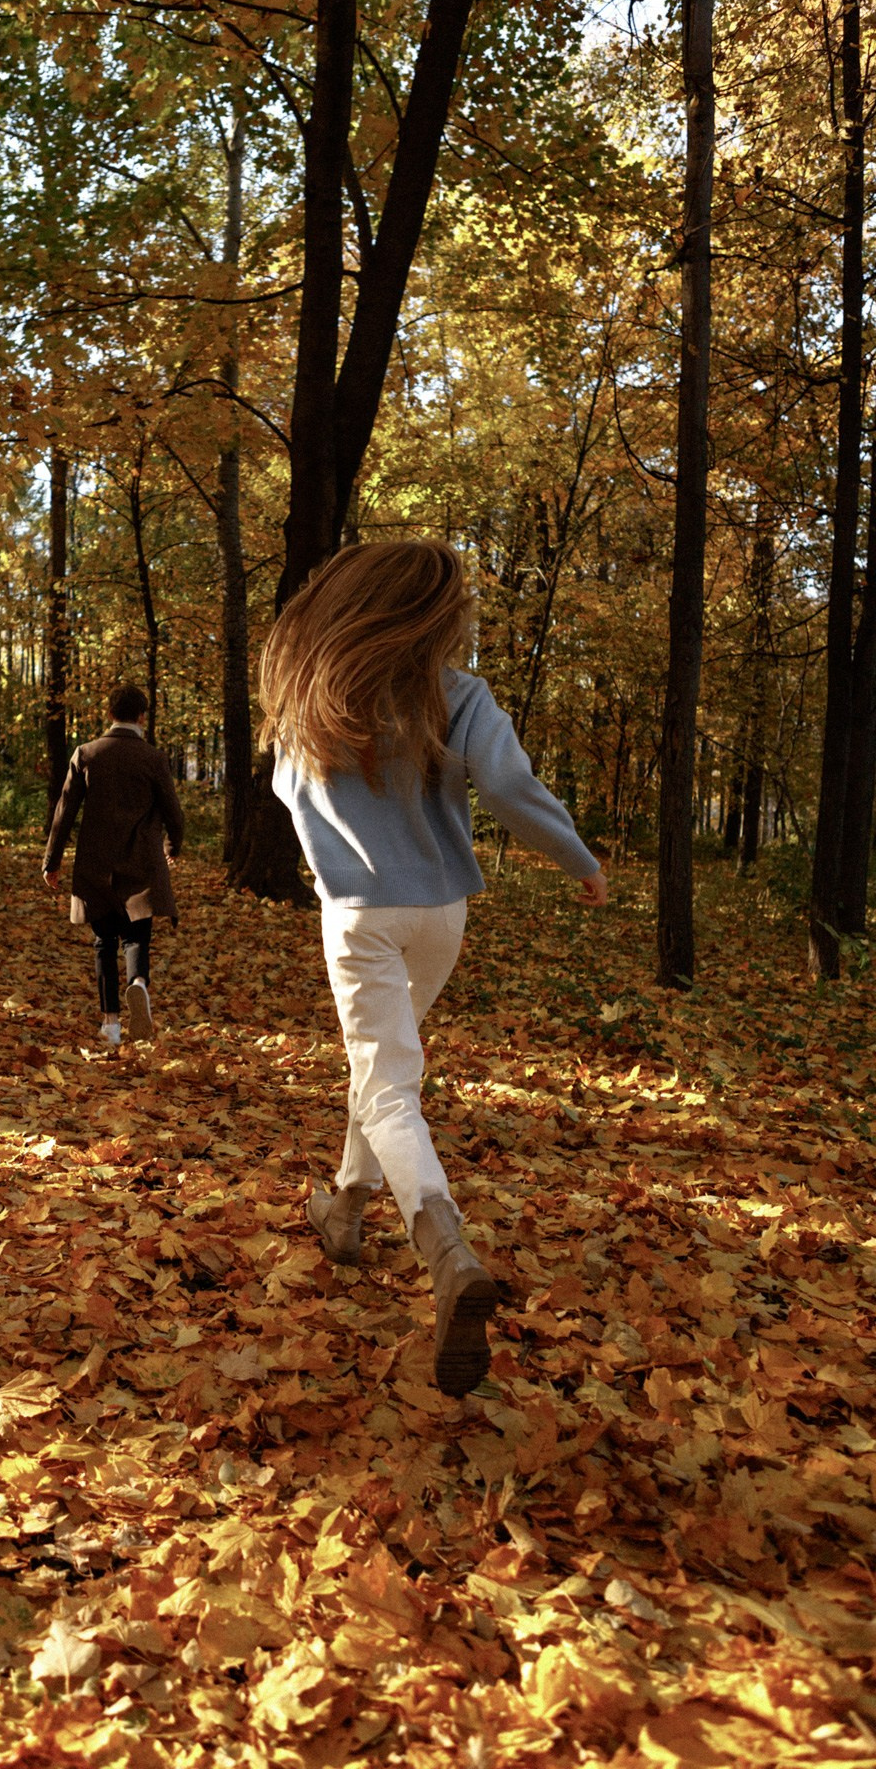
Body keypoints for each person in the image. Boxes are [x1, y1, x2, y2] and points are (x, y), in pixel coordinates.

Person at [262, 538, 607, 1399]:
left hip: (359, 913)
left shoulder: (318, 696)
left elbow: (287, 792)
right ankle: (345, 1211)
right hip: (441, 914)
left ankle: (444, 1249)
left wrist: (335, 848)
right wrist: (576, 857)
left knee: (386, 1087)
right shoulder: (457, 695)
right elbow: (507, 783)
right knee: (385, 1070)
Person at [43, 684, 184, 1046]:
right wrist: (173, 844)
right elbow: (174, 812)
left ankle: (111, 1025)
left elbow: (64, 812)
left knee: (104, 942)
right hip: (142, 860)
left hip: (97, 863)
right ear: (141, 717)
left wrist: (52, 861)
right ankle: (138, 984)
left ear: (109, 714)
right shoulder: (153, 758)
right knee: (137, 935)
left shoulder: (87, 754)